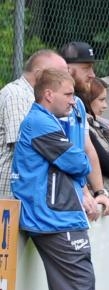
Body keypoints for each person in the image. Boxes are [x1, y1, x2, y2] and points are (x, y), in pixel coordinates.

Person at [11, 68, 109, 290]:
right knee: (78, 284)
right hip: (53, 217)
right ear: (48, 94)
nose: (73, 102)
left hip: (56, 215)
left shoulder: (51, 121)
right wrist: (78, 163)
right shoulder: (41, 123)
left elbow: (75, 161)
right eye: (68, 95)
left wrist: (76, 163)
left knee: (76, 285)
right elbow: (76, 160)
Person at [0, 50, 68, 198]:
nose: (66, 80)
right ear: (39, 74)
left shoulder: (44, 99)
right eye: (60, 74)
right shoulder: (16, 94)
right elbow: (23, 144)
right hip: (11, 194)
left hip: (30, 191)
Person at [59, 41, 109, 218]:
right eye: (86, 68)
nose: (92, 74)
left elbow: (88, 149)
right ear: (67, 68)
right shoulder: (51, 103)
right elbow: (62, 155)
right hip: (55, 201)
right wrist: (83, 192)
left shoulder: (79, 105)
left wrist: (99, 193)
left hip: (77, 198)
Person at [77, 77, 109, 202]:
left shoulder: (98, 127)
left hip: (106, 201)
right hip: (94, 200)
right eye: (101, 100)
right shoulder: (86, 128)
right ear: (88, 100)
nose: (105, 106)